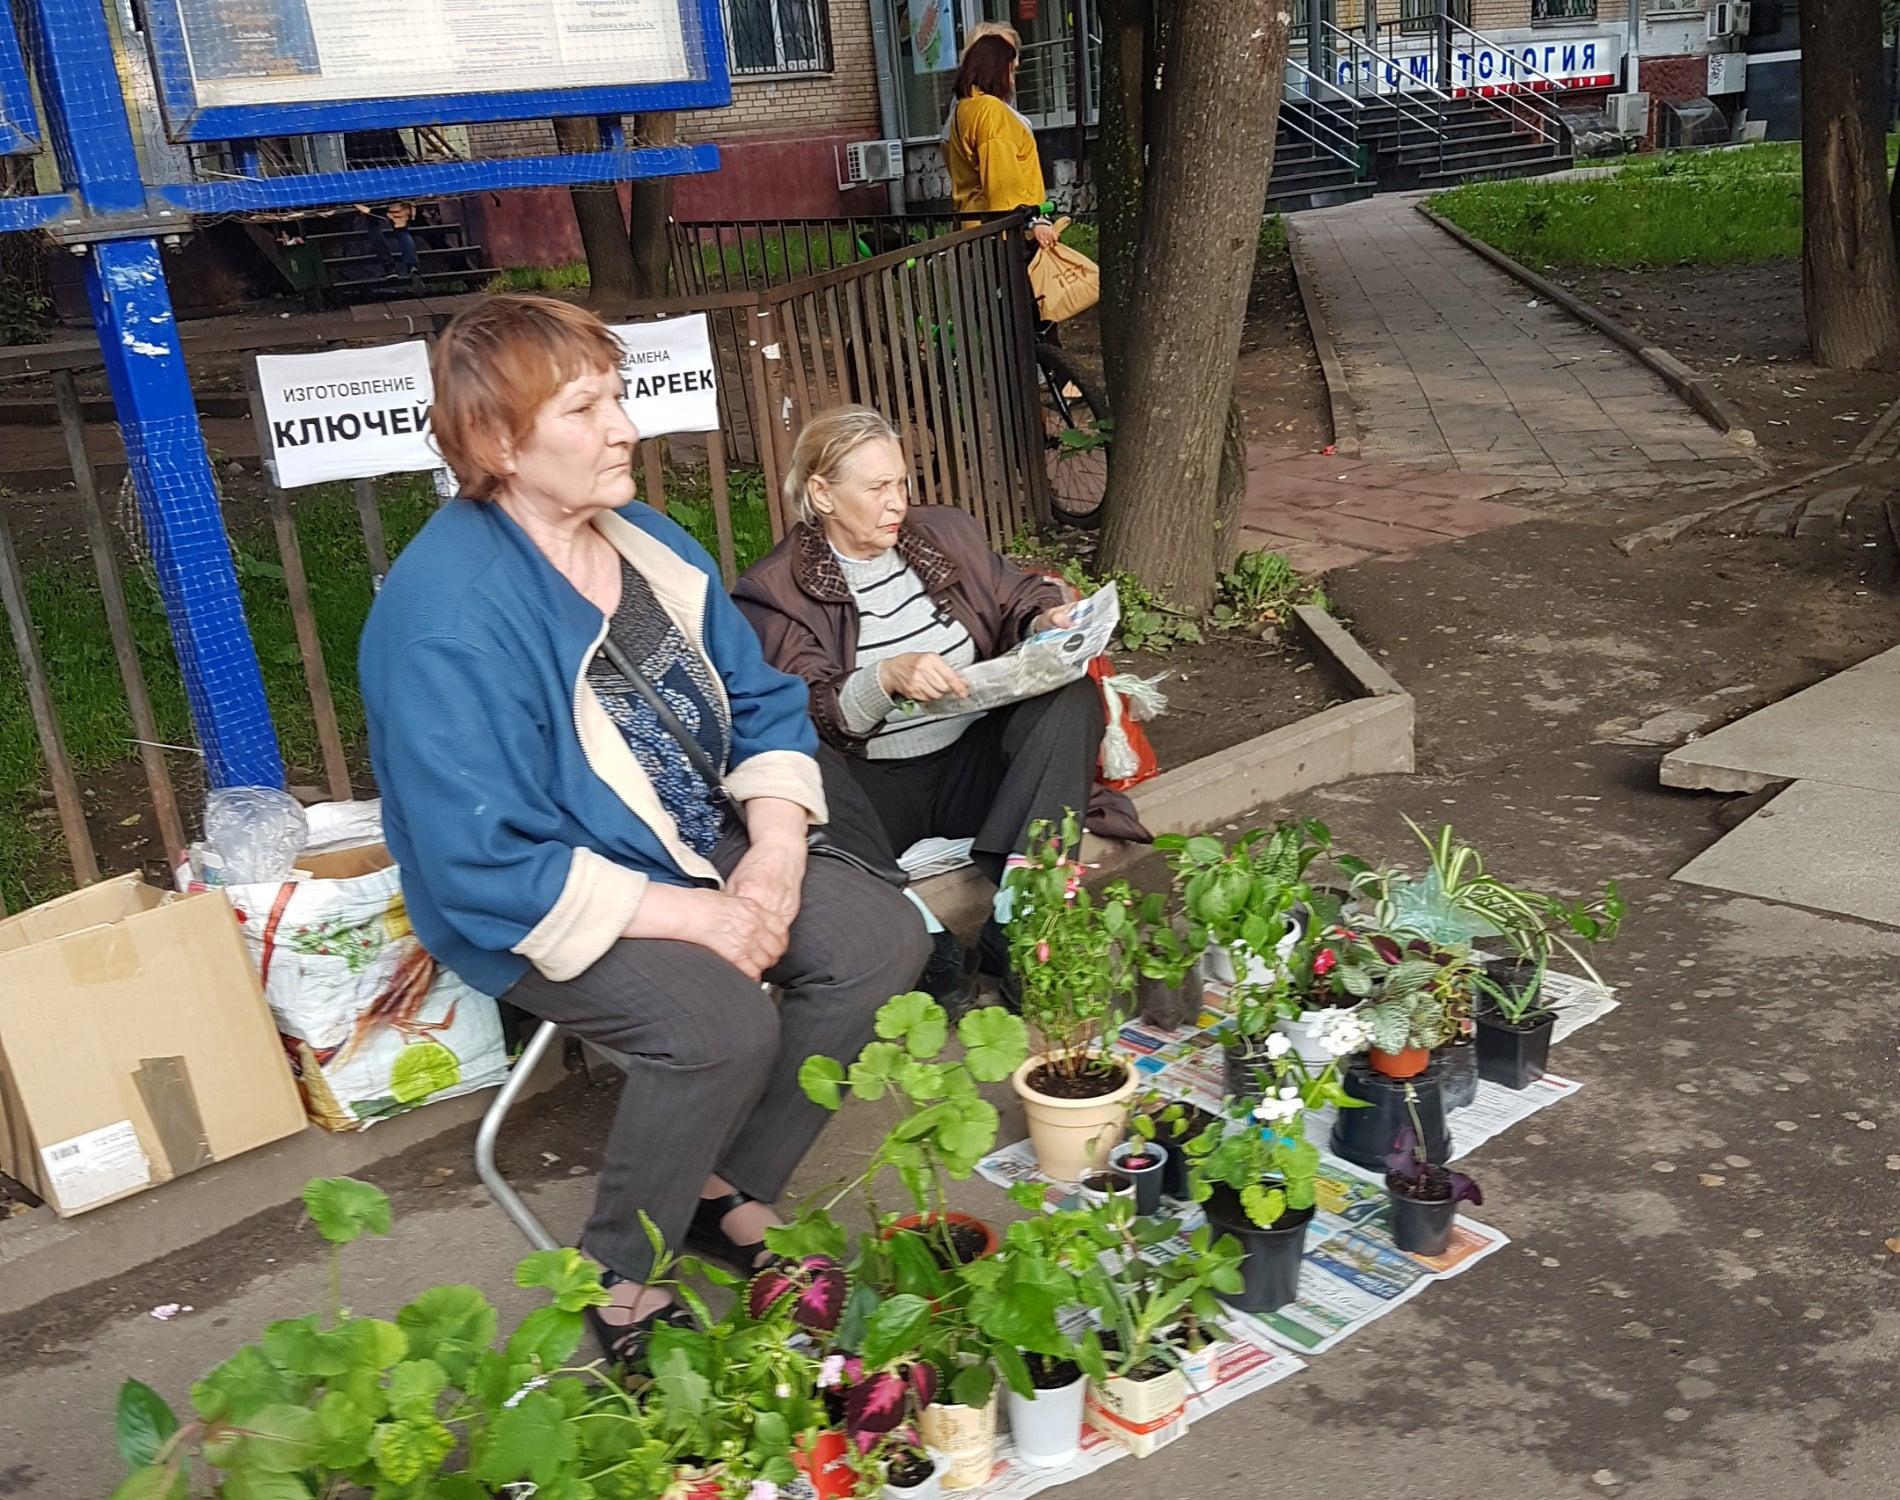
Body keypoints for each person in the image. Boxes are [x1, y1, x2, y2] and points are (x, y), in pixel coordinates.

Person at [358, 298, 929, 1369]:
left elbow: (758, 703)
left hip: (686, 832)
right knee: (717, 1025)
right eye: (586, 408)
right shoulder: (445, 616)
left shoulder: (647, 541)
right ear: (495, 443)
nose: (624, 427)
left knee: (881, 940)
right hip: (536, 891)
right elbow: (480, 860)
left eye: (616, 397)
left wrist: (770, 851)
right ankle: (618, 1277)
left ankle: (724, 1187)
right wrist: (706, 921)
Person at [733, 405, 1120, 1003]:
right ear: (823, 494)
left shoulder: (943, 535)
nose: (897, 502)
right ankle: (925, 940)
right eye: (877, 487)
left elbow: (1016, 594)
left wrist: (1047, 616)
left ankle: (1020, 921)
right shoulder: (773, 589)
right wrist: (883, 678)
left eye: (902, 482)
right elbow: (805, 706)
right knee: (794, 761)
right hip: (870, 791)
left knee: (1069, 697)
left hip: (969, 766)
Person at [943, 32, 1057, 255]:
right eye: (1011, 70)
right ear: (997, 70)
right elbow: (1003, 184)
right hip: (1008, 234)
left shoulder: (964, 108)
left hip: (978, 227)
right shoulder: (991, 111)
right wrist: (1033, 222)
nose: (1013, 79)